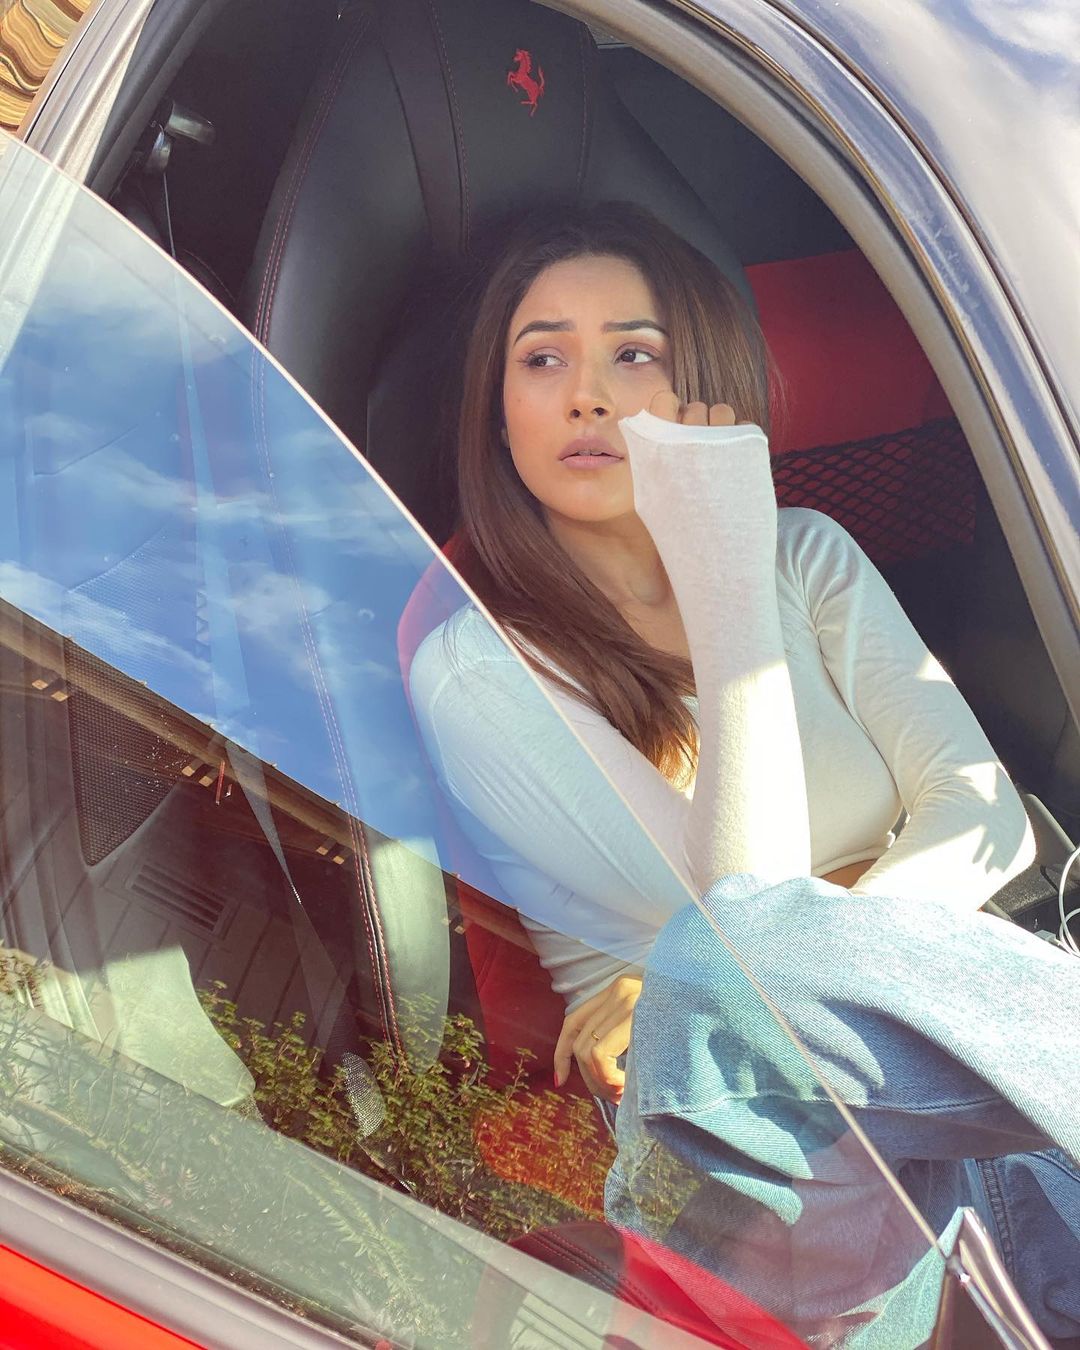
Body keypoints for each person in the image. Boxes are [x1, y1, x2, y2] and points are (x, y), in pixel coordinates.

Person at [408, 202, 1080, 1342]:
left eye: (633, 352)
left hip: (990, 1112)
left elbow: (985, 820)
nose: (586, 393)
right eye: (542, 358)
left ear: (701, 383)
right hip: (779, 1178)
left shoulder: (807, 551)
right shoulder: (477, 669)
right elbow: (747, 950)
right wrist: (720, 560)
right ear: (500, 410)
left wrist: (843, 961)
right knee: (741, 968)